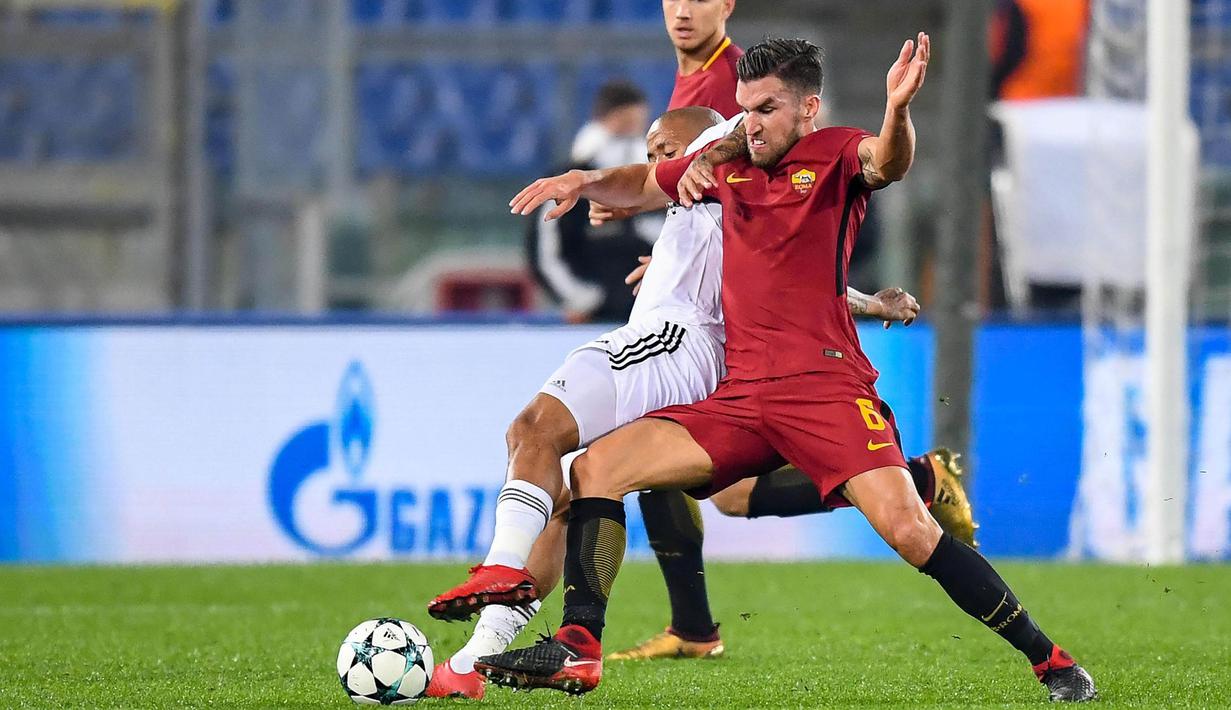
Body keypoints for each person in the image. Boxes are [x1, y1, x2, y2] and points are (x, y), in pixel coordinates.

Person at [475, 36, 1097, 703]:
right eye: (744, 108)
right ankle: (578, 646)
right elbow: (642, 182)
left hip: (824, 391)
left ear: (807, 109)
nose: (752, 122)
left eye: (767, 108)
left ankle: (1050, 659)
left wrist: (897, 111)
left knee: (910, 531)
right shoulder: (727, 168)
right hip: (739, 396)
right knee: (596, 468)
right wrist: (584, 181)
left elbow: (885, 161)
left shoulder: (833, 154)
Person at [423, 107, 929, 700]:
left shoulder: (724, 166)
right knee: (570, 495)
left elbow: (688, 167)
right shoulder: (713, 202)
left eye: (666, 147)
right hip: (711, 367)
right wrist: (871, 303)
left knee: (535, 428)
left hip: (674, 344)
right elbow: (793, 276)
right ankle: (472, 663)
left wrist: (593, 181)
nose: (659, 161)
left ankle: (512, 574)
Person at [607, 0, 974, 662]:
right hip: (730, 331)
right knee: (731, 496)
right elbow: (735, 234)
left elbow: (782, 234)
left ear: (727, 6)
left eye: (698, 0)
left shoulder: (730, 87)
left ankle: (692, 627)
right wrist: (670, 252)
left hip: (764, 347)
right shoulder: (693, 82)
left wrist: (858, 302)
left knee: (658, 452)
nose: (683, 11)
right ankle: (694, 625)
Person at [527, 80, 657, 323]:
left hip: (646, 314)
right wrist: (582, 299)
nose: (631, 136)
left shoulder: (652, 184)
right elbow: (545, 255)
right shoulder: (567, 185)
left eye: (636, 127)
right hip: (591, 316)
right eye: (624, 125)